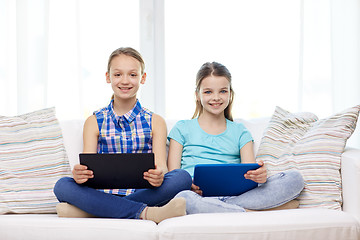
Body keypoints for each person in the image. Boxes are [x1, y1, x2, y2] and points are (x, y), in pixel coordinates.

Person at [54, 47, 192, 223]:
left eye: (133, 75)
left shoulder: (155, 121)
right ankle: (147, 213)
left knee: (182, 177)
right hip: (102, 192)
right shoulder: (94, 121)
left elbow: (162, 168)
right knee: (62, 186)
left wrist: (159, 175)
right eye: (118, 74)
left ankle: (93, 210)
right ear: (108, 77)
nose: (125, 81)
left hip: (143, 192)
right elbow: (88, 168)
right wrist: (81, 175)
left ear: (143, 78)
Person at [167, 61, 304, 214]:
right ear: (197, 95)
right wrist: (188, 185)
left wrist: (259, 177)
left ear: (230, 94)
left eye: (223, 91)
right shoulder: (182, 128)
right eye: (208, 92)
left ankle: (228, 209)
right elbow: (173, 177)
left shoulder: (240, 131)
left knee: (294, 179)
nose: (216, 97)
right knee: (182, 198)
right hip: (196, 196)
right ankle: (247, 212)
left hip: (236, 196)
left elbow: (249, 176)